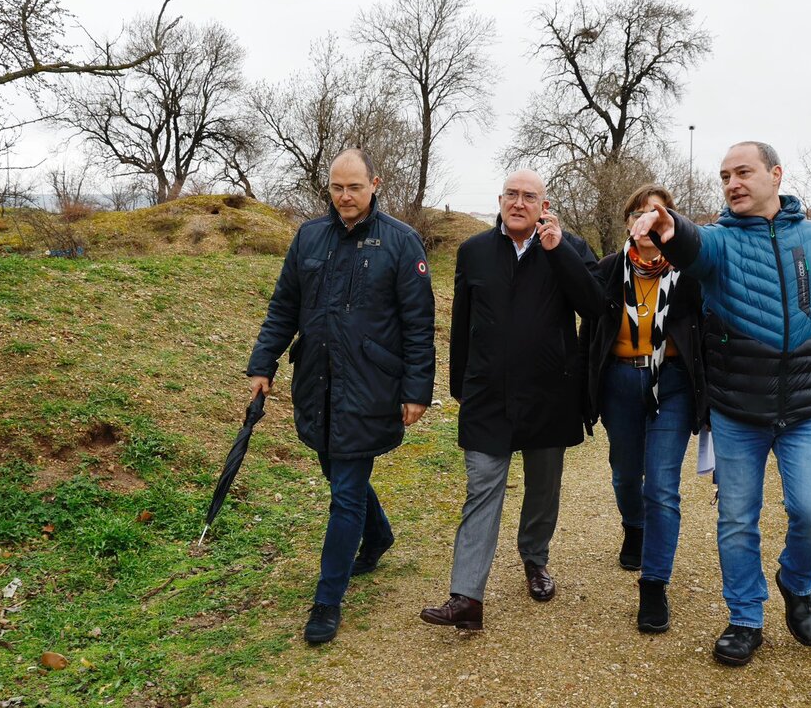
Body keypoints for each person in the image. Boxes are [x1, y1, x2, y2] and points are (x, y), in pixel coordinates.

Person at [630, 141, 811, 666]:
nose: (732, 183)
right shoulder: (721, 242)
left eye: (743, 172)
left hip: (809, 409)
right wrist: (666, 224)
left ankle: (796, 581)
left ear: (776, 174)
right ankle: (745, 617)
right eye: (724, 176)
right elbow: (691, 244)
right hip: (736, 411)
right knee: (736, 520)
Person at [246, 148, 435, 645]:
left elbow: (418, 326)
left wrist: (418, 390)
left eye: (354, 187)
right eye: (336, 187)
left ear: (374, 183)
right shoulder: (309, 236)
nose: (345, 196)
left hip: (371, 383)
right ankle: (378, 535)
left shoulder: (400, 241)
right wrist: (262, 363)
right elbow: (284, 306)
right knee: (334, 470)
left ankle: (327, 600)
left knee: (346, 491)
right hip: (316, 381)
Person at [420, 169, 601, 631]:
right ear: (500, 199)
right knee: (482, 491)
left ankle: (534, 559)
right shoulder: (475, 251)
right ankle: (466, 597)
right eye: (512, 195)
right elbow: (462, 324)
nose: (519, 203)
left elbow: (596, 307)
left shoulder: (570, 247)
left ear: (545, 205)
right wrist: (461, 384)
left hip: (549, 393)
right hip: (487, 397)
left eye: (530, 197)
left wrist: (559, 252)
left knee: (543, 489)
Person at [581, 184, 706, 634]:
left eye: (658, 214)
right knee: (624, 473)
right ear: (630, 223)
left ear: (670, 222)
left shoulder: (691, 273)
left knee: (663, 487)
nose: (648, 222)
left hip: (672, 383)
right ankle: (633, 526)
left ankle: (654, 585)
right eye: (640, 213)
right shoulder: (610, 270)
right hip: (619, 379)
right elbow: (583, 315)